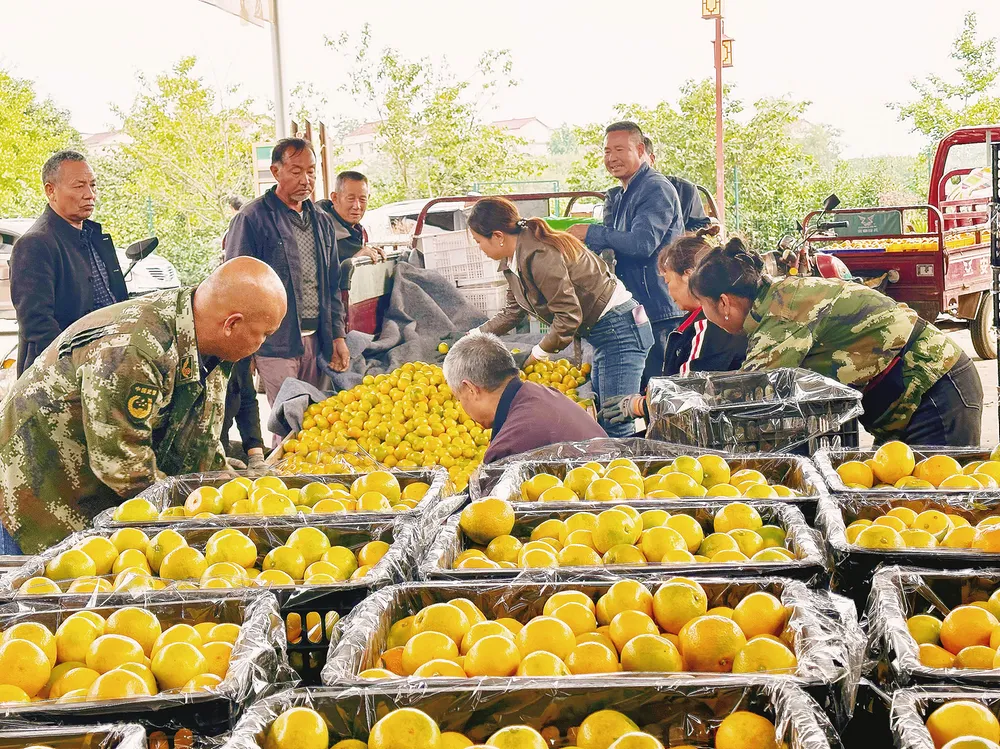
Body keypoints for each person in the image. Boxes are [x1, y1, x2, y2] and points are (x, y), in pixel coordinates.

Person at [0, 257, 287, 554]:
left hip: (97, 478)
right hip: (41, 490)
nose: (263, 344)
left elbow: (199, 441)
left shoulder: (206, 335)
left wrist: (232, 490)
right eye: (264, 334)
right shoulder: (134, 349)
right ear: (232, 324)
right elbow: (125, 467)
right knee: (47, 590)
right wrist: (199, 524)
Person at [687, 239, 983, 445]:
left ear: (723, 303)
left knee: (933, 510)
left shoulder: (781, 316)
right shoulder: (775, 300)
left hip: (936, 392)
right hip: (908, 402)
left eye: (704, 306)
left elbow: (752, 393)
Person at [470, 197, 654, 438]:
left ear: (498, 236)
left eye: (479, 241)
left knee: (615, 421)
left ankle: (630, 472)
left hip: (620, 330)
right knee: (603, 415)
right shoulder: (513, 261)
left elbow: (568, 316)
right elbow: (514, 311)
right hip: (605, 333)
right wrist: (475, 336)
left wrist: (538, 353)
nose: (480, 249)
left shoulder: (540, 256)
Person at [226, 138, 350, 405]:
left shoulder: (322, 220)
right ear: (275, 171)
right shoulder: (252, 218)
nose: (306, 179)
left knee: (316, 419)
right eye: (296, 171)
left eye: (311, 171)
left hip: (318, 339)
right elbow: (237, 288)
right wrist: (245, 349)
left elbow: (332, 285)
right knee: (288, 421)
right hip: (276, 345)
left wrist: (337, 336)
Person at [567, 122, 685, 390]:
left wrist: (593, 233)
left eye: (620, 149)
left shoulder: (655, 188)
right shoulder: (622, 193)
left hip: (657, 307)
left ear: (640, 150)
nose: (612, 158)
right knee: (639, 390)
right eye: (607, 151)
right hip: (636, 305)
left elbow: (643, 243)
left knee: (658, 388)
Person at [598, 232, 748, 427]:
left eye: (668, 281)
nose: (668, 291)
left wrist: (641, 405)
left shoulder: (707, 325)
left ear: (689, 275)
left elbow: (690, 392)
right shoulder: (696, 321)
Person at [10, 150, 128, 376]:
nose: (90, 194)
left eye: (93, 185)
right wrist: (76, 365)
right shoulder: (35, 244)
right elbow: (37, 324)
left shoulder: (94, 236)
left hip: (107, 364)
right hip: (61, 375)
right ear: (50, 190)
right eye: (79, 186)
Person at [443, 332, 606, 464]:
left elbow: (493, 504)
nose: (461, 407)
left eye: (459, 398)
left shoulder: (507, 449)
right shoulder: (541, 393)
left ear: (471, 389)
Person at [317, 170, 384, 290]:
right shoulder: (319, 231)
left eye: (362, 199)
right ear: (335, 198)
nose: (357, 206)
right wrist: (355, 260)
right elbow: (320, 282)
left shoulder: (358, 231)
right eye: (351, 198)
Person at [222, 356, 266, 471]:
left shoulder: (240, 355)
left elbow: (246, 402)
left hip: (220, 447)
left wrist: (255, 454)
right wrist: (212, 458)